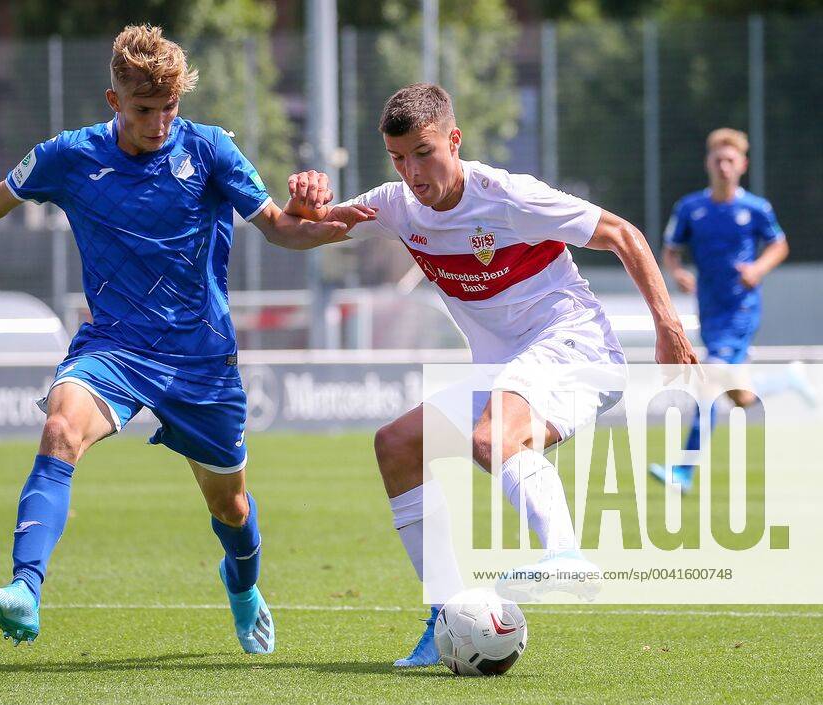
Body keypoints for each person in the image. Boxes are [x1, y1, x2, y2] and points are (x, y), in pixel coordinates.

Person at [0, 24, 373, 652]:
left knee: (232, 510)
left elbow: (279, 227)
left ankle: (242, 589)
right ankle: (26, 590)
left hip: (201, 360)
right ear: (114, 101)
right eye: (144, 110)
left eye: (169, 108)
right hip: (114, 348)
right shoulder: (70, 157)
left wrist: (323, 223)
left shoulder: (210, 149)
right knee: (59, 430)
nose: (160, 122)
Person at [285, 83, 697, 666]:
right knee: (397, 445)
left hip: (575, 348)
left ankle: (564, 551)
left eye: (423, 152)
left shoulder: (507, 195)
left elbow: (623, 235)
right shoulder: (396, 204)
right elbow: (304, 232)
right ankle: (444, 613)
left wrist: (668, 326)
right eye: (399, 158)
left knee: (490, 438)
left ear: (454, 139)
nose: (412, 172)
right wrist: (305, 207)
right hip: (510, 369)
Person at [649, 128, 814, 492]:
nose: (724, 166)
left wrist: (758, 269)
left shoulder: (755, 208)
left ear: (742, 165)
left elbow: (779, 245)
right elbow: (671, 250)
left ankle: (683, 470)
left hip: (741, 311)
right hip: (709, 311)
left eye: (731, 160)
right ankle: (787, 381)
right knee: (738, 397)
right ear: (708, 163)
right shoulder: (691, 208)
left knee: (709, 380)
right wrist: (677, 273)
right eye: (718, 159)